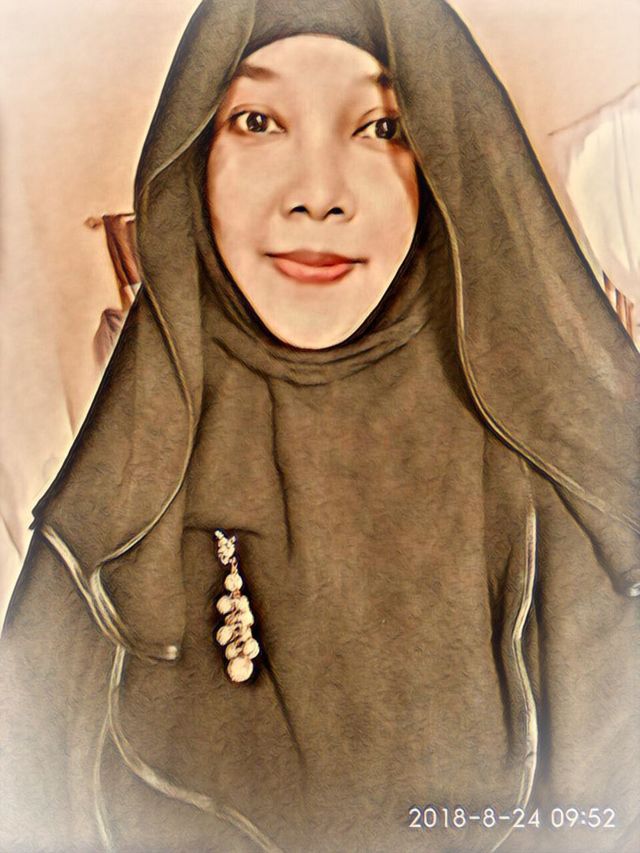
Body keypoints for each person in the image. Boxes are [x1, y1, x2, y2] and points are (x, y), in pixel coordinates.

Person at [1, 1, 638, 851]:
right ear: (195, 161)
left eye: (381, 127)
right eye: (258, 121)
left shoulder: (567, 505)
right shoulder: (111, 528)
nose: (317, 196)